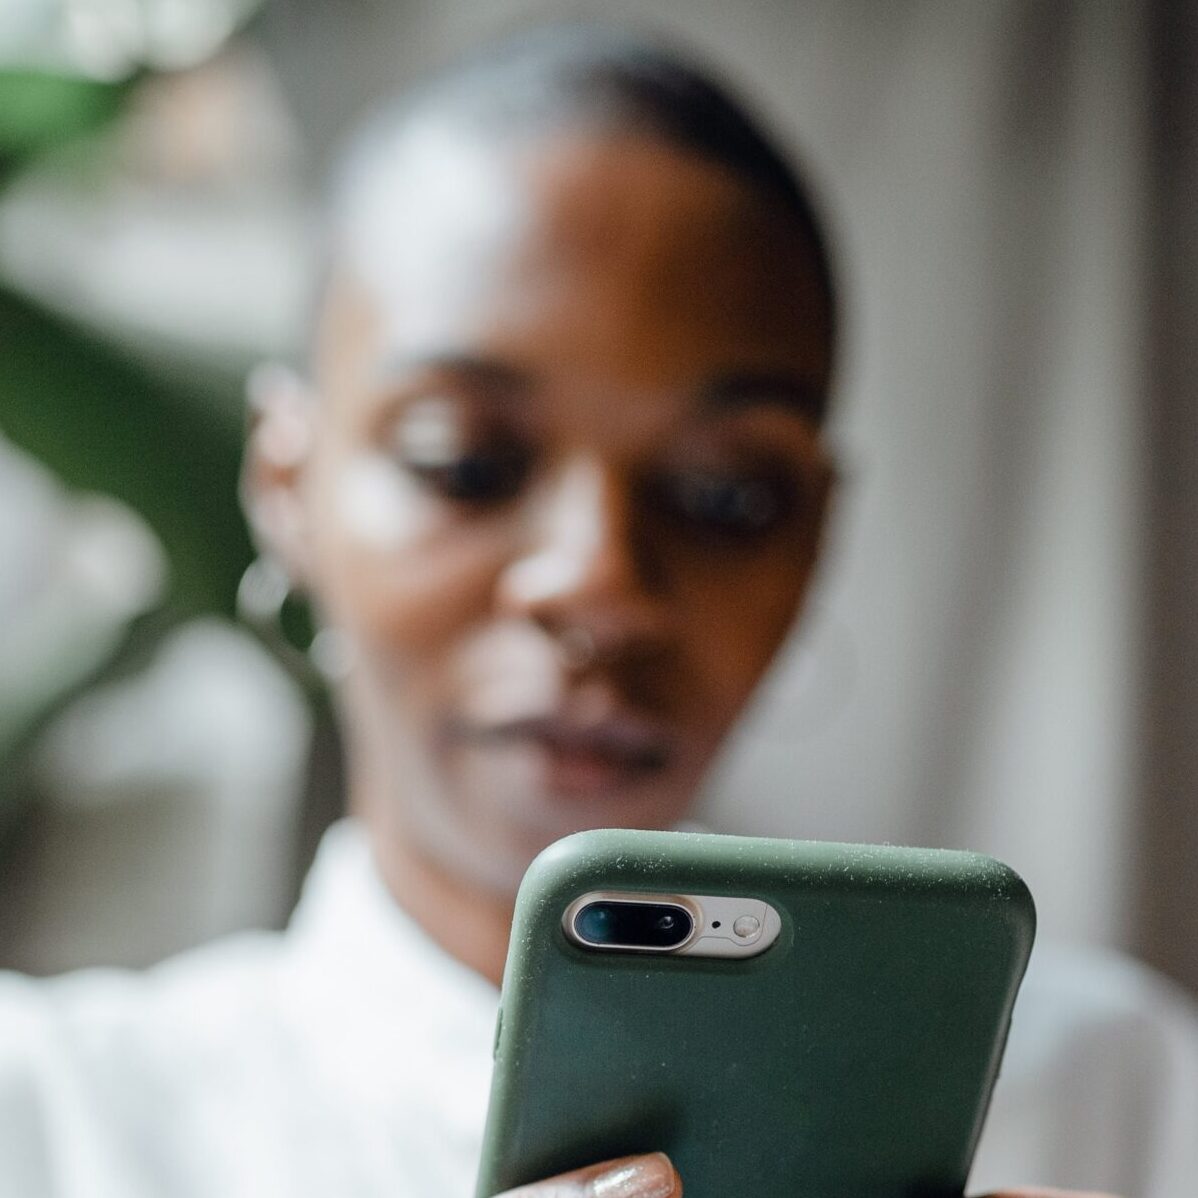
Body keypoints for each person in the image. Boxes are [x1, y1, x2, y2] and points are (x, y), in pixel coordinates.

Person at [1, 25, 1195, 1198]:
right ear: (286, 486)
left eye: (725, 492)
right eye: (464, 459)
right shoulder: (57, 1116)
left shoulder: (1111, 1094)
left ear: (815, 534)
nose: (600, 581)